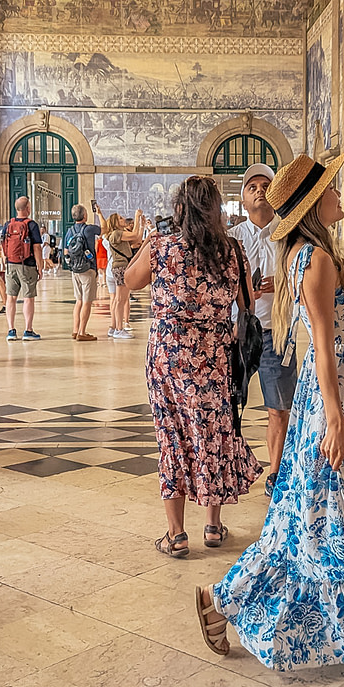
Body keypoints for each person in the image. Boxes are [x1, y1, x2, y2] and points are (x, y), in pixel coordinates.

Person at [193, 154, 344, 667]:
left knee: (321, 512)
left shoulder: (307, 254)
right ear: (312, 205)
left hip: (339, 392)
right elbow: (324, 345)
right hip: (339, 393)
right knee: (340, 514)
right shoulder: (318, 260)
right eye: (330, 189)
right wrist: (335, 416)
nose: (339, 195)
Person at [124, 175, 262, 557]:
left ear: (180, 210)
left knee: (173, 438)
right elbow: (245, 304)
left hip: (168, 358)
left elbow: (129, 280)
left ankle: (176, 534)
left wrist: (150, 241)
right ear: (216, 211)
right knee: (213, 434)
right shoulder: (233, 251)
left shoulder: (162, 248)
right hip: (214, 358)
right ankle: (213, 526)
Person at [228, 162, 298, 498]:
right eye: (251, 186)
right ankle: (229, 466)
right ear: (242, 199)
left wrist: (279, 285)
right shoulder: (232, 239)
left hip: (275, 331)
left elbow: (303, 280)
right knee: (228, 404)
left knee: (278, 406)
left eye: (264, 185)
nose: (258, 190)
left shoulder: (288, 235)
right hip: (238, 333)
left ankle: (276, 471)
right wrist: (244, 294)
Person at [1, 195, 43, 341]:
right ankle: (28, 330)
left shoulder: (8, 224)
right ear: (28, 208)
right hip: (28, 264)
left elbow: (3, 244)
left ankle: (11, 330)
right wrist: (40, 266)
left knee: (11, 298)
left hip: (11, 264)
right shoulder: (31, 225)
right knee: (28, 298)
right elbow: (37, 247)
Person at [103, 210, 144, 339]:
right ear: (115, 222)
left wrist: (140, 224)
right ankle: (119, 329)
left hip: (120, 267)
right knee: (121, 299)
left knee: (118, 299)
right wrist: (137, 217)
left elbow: (137, 238)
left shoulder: (119, 235)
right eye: (120, 218)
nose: (124, 219)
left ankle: (114, 327)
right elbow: (135, 234)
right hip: (121, 267)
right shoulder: (116, 234)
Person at [65, 202, 102, 341]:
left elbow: (66, 251)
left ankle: (75, 330)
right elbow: (104, 229)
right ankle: (82, 332)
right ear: (85, 215)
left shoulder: (70, 231)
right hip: (88, 268)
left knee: (78, 301)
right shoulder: (89, 229)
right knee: (87, 301)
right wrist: (98, 213)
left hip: (75, 270)